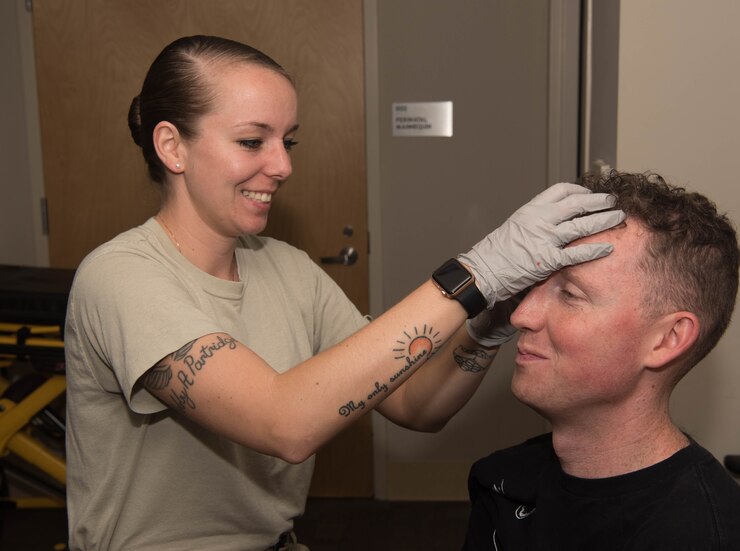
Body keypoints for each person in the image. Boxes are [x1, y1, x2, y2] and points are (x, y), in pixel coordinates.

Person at [63, 35, 624, 550]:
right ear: (172, 147)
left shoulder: (288, 268)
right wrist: (475, 274)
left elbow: (414, 404)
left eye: (288, 141)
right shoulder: (120, 277)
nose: (282, 166)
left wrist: (484, 324)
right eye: (252, 141)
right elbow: (284, 425)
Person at [461, 171, 740, 550]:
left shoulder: (706, 535)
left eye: (571, 295)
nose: (520, 316)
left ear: (667, 339)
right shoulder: (503, 478)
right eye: (534, 285)